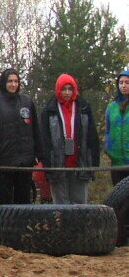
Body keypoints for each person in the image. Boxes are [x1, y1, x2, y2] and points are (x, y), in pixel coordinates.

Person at [0, 68, 40, 206]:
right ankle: (5, 227)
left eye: (16, 81)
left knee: (24, 200)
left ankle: (24, 226)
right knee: (5, 200)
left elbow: (35, 130)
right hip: (4, 160)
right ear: (4, 83)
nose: (13, 84)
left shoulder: (27, 101)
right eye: (10, 81)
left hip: (24, 160)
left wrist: (38, 153)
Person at [40, 73, 98, 204]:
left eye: (70, 89)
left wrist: (93, 162)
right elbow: (44, 139)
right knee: (61, 205)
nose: (67, 92)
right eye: (63, 89)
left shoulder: (84, 108)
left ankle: (79, 225)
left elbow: (92, 136)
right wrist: (47, 164)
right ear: (58, 90)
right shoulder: (49, 110)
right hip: (57, 164)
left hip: (80, 162)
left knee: (80, 203)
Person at [105, 70, 129, 187]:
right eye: (121, 83)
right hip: (116, 161)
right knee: (119, 198)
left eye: (127, 83)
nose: (123, 86)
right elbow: (107, 130)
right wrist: (108, 148)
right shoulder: (111, 107)